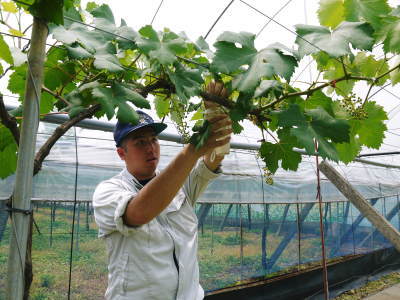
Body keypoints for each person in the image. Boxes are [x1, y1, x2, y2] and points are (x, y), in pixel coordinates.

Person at [93, 82, 232, 300]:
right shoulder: (108, 191)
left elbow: (211, 162)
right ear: (122, 153)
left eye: (153, 140)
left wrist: (216, 117)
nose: (150, 147)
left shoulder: (179, 186)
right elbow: (139, 213)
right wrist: (192, 150)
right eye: (140, 142)